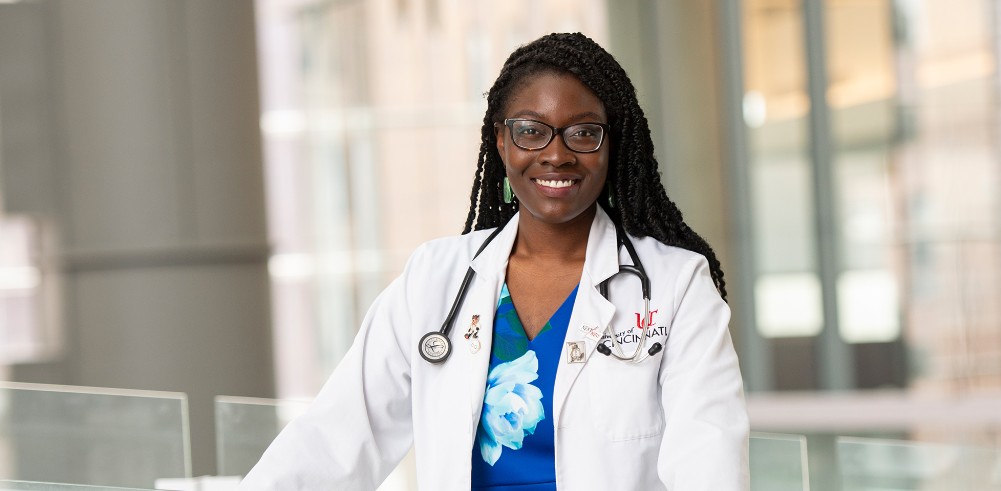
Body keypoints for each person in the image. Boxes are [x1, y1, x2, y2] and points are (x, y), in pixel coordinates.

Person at [239, 32, 748, 490]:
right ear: (501, 141)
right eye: (532, 130)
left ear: (612, 146)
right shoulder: (435, 279)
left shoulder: (675, 286)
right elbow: (336, 440)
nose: (557, 154)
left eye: (584, 132)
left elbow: (710, 464)